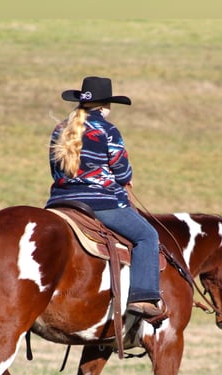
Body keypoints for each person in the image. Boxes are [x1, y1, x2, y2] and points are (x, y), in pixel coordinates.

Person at [46, 76, 165, 319]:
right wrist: (125, 179)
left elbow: (55, 169)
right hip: (100, 202)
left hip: (60, 201)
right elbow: (121, 170)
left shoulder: (60, 129)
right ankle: (142, 297)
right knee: (147, 236)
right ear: (104, 107)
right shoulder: (108, 130)